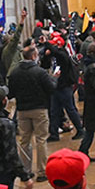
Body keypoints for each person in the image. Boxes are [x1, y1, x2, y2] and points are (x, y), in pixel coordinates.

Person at [9, 44, 56, 179]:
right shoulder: (40, 72)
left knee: (24, 140)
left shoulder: (15, 72)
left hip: (22, 110)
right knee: (41, 140)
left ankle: (26, 170)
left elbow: (11, 93)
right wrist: (54, 78)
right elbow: (51, 89)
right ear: (34, 56)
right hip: (39, 108)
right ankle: (42, 171)